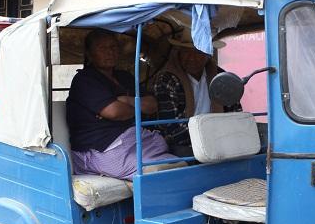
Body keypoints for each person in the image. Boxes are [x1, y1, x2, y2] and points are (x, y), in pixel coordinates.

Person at [66, 29, 176, 180]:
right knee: (160, 173)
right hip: (100, 149)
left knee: (174, 160)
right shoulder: (85, 80)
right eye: (102, 48)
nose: (109, 52)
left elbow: (152, 105)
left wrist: (126, 100)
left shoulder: (124, 77)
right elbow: (115, 112)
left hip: (133, 141)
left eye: (113, 47)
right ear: (90, 54)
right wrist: (136, 107)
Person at [152, 38, 241, 156]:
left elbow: (235, 111)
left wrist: (225, 134)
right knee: (186, 154)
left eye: (199, 52)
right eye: (186, 52)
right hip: (184, 141)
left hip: (219, 136)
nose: (192, 58)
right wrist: (206, 137)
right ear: (179, 53)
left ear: (207, 55)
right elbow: (170, 125)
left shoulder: (220, 76)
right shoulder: (167, 79)